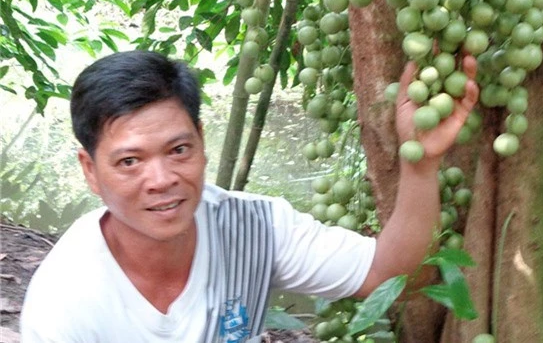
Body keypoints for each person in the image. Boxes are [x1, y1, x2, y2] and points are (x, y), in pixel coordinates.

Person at [20, 50, 478, 342]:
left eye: (178, 150)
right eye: (129, 162)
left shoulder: (256, 229)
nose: (160, 179)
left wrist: (420, 161)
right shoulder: (67, 301)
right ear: (90, 171)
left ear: (201, 140)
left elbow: (391, 274)